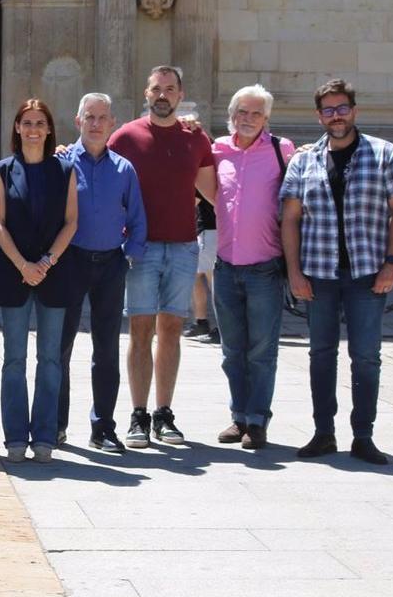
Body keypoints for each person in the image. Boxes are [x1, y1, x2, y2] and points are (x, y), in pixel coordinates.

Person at [281, 78, 393, 466]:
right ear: (319, 116)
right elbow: (289, 219)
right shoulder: (304, 160)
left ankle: (363, 435)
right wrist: (294, 272)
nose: (336, 116)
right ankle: (323, 432)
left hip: (368, 272)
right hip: (319, 272)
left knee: (366, 356)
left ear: (354, 111)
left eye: (342, 108)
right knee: (321, 353)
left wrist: (392, 263)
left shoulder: (384, 154)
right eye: (329, 110)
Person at [106, 66, 216, 448]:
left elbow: (218, 190)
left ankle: (163, 414)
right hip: (141, 249)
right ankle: (137, 415)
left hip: (185, 246)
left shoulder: (195, 137)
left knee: (171, 330)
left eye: (170, 89)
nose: (163, 95)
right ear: (146, 93)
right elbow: (97, 173)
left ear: (181, 94)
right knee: (140, 331)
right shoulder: (125, 137)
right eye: (157, 89)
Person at [0, 98, 79, 463]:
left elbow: (72, 221)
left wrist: (44, 262)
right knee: (14, 358)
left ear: (49, 129)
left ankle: (44, 436)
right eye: (26, 122)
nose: (33, 129)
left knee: (50, 359)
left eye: (40, 123)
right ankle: (14, 437)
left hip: (54, 272)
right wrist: (23, 265)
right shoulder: (2, 170)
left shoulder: (66, 170)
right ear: (17, 128)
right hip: (14, 273)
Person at [56, 93, 145, 452]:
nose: (95, 124)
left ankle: (103, 427)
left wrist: (128, 258)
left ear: (112, 124)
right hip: (70, 262)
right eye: (89, 117)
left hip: (111, 265)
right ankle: (55, 425)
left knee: (106, 350)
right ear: (78, 122)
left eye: (102, 118)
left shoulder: (124, 169)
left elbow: (138, 219)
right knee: (59, 348)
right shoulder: (61, 162)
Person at [210, 84, 294, 450]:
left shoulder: (283, 150)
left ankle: (257, 421)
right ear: (232, 114)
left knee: (262, 350)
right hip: (226, 267)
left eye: (256, 113)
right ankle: (239, 416)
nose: (248, 119)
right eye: (242, 112)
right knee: (232, 351)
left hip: (265, 268)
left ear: (267, 118)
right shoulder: (216, 150)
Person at [184, 195, 220, 344]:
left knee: (214, 281)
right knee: (196, 277)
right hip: (207, 232)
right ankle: (201, 322)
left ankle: (221, 327)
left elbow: (189, 204)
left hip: (209, 233)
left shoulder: (204, 178)